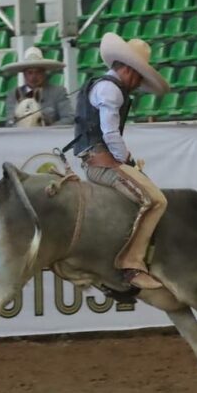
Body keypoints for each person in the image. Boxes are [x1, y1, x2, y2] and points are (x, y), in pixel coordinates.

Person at [72, 33, 170, 290]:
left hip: (95, 158)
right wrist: (126, 160)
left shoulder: (103, 87)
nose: (138, 84)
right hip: (102, 163)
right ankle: (131, 264)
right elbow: (110, 133)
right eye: (138, 77)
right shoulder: (112, 90)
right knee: (156, 200)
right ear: (128, 70)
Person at [4, 47, 74, 127]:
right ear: (24, 74)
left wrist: (49, 129)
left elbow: (69, 118)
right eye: (30, 73)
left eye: (38, 72)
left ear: (44, 73)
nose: (34, 77)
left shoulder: (58, 92)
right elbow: (10, 122)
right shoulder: (13, 95)